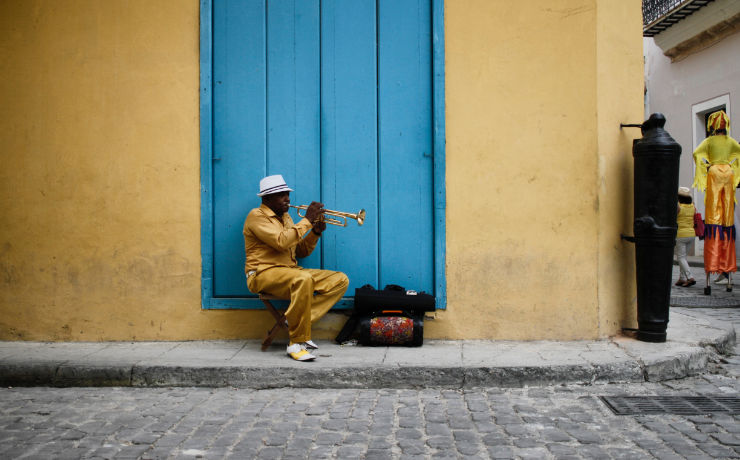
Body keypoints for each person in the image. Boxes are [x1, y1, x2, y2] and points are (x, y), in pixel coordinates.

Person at [243, 175, 349, 361]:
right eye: (281, 195)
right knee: (303, 279)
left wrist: (315, 233)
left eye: (287, 194)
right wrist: (308, 220)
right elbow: (281, 242)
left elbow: (300, 251)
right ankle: (296, 343)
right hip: (262, 273)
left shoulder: (287, 218)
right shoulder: (256, 216)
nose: (287, 199)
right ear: (266, 199)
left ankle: (291, 320)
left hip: (291, 273)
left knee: (340, 280)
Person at [692, 110, 740, 286]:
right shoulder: (730, 142)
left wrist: (704, 167)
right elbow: (739, 152)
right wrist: (733, 167)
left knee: (713, 216)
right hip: (728, 174)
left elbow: (696, 153)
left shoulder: (709, 141)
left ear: (713, 125)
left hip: (713, 174)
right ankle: (726, 266)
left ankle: (713, 265)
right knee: (727, 219)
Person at [674, 187, 696, 287]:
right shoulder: (693, 206)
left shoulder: (678, 207)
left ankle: (690, 277)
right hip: (691, 234)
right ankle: (682, 278)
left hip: (681, 235)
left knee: (681, 257)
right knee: (684, 257)